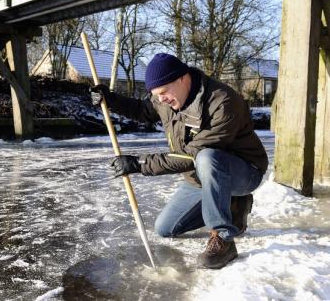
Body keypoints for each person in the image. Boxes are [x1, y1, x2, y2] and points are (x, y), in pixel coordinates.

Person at [90, 53, 268, 269]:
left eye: (163, 92)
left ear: (183, 78)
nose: (161, 99)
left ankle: (223, 239)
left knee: (207, 156)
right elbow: (143, 110)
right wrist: (110, 101)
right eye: (156, 95)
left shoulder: (222, 101)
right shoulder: (167, 97)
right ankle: (233, 206)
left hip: (244, 171)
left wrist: (140, 163)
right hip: (200, 174)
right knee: (165, 228)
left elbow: (191, 155)